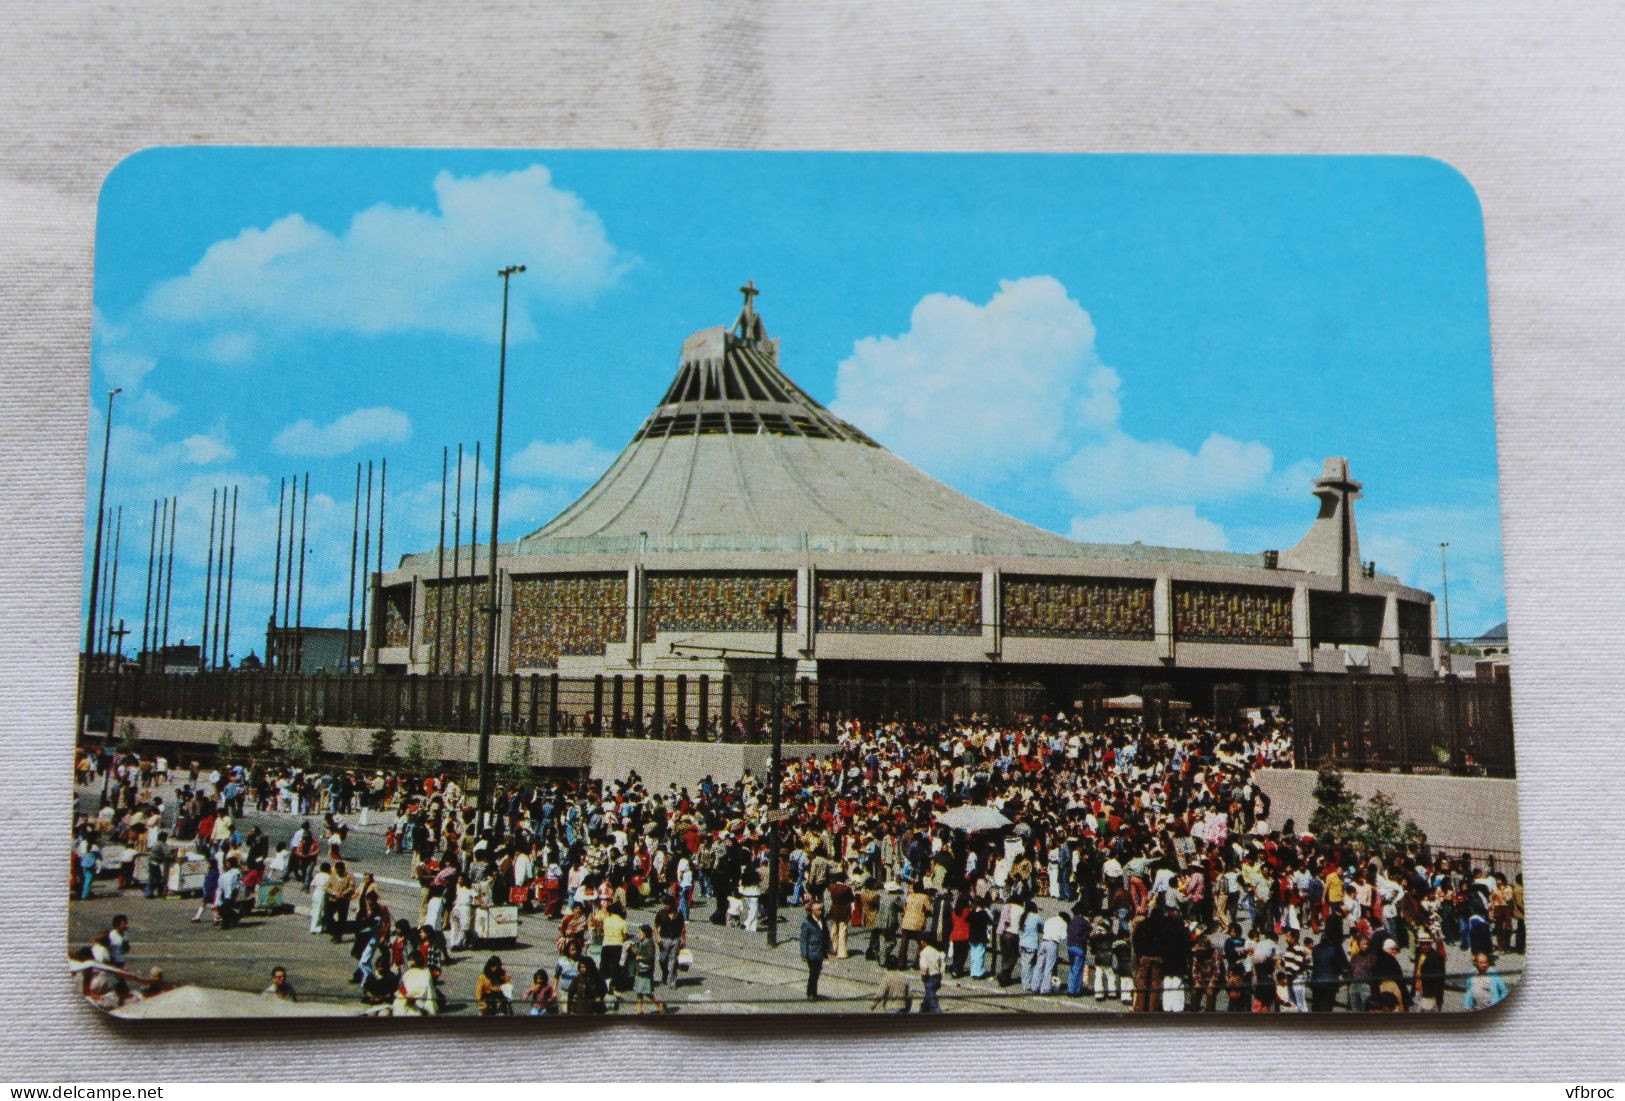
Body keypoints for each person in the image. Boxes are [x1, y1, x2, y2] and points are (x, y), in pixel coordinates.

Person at [800, 900, 832, 999]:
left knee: (816, 973)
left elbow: (826, 934)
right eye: (818, 910)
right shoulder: (807, 922)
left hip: (820, 951)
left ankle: (813, 992)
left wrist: (829, 948)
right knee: (813, 973)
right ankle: (811, 993)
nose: (821, 912)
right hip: (811, 951)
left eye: (822, 910)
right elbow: (803, 939)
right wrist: (804, 954)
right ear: (812, 910)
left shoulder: (822, 920)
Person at [631, 924, 666, 1014]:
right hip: (640, 969)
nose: (639, 935)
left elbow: (650, 957)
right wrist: (633, 949)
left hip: (646, 970)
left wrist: (640, 957)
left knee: (646, 991)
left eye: (640, 933)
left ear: (645, 934)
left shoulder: (649, 943)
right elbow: (638, 952)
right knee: (639, 990)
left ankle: (659, 1005)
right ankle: (639, 1010)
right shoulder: (641, 942)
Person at [654, 896, 686, 989]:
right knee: (662, 960)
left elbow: (683, 928)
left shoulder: (679, 914)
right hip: (664, 940)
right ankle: (665, 973)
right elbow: (655, 927)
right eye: (663, 904)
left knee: (673, 962)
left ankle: (672, 982)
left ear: (671, 904)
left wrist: (684, 941)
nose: (664, 906)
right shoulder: (660, 914)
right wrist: (657, 938)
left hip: (675, 940)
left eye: (666, 904)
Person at [917, 936, 945, 1013]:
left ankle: (937, 1011)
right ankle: (923, 1010)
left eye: (922, 942)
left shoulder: (924, 952)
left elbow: (924, 966)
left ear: (925, 943)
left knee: (931, 996)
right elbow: (942, 964)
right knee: (928, 994)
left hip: (930, 977)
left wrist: (923, 975)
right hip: (937, 975)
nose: (921, 943)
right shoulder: (936, 951)